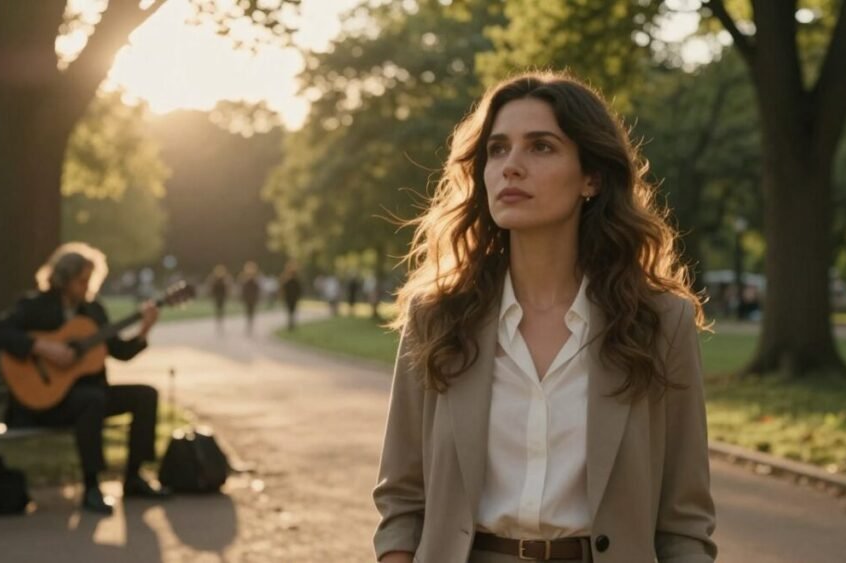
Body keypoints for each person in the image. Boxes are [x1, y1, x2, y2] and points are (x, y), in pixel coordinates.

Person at [373, 73, 716, 563]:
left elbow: (684, 522)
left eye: (541, 148)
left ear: (591, 178)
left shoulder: (660, 323)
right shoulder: (437, 318)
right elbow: (402, 502)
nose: (511, 166)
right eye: (497, 149)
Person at [0, 242, 170, 515]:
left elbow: (120, 351)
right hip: (43, 402)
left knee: (145, 395)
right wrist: (43, 347)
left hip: (85, 396)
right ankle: (92, 486)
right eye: (81, 280)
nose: (87, 286)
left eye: (90, 280)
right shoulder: (36, 306)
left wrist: (144, 329)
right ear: (63, 279)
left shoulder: (94, 312)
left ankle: (134, 477)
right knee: (92, 400)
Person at [237, 261, 262, 336]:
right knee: (248, 311)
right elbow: (243, 290)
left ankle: (250, 323)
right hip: (248, 298)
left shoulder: (255, 280)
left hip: (252, 298)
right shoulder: (245, 279)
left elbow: (257, 290)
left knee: (251, 312)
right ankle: (249, 323)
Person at [207, 264, 232, 334]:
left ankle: (220, 322)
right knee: (218, 310)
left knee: (221, 310)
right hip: (217, 297)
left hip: (222, 297)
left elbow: (228, 289)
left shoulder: (225, 279)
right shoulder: (214, 279)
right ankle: (219, 322)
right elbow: (211, 289)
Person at [281, 262, 302, 331]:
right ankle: (291, 324)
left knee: (291, 312)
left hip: (291, 298)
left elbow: (299, 290)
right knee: (291, 312)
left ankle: (291, 324)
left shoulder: (294, 282)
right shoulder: (289, 281)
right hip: (290, 298)